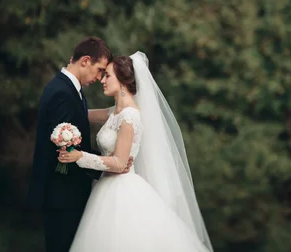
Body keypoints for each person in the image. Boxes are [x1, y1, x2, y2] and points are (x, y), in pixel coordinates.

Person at [59, 52, 213, 251]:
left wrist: (80, 157)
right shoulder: (114, 112)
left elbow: (120, 163)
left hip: (122, 190)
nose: (103, 80)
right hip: (105, 187)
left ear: (122, 81)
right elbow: (83, 115)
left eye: (108, 76)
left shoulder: (129, 116)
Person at [27, 37, 133, 252]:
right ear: (85, 61)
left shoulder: (68, 88)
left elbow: (80, 121)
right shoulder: (62, 93)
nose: (100, 77)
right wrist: (111, 165)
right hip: (63, 196)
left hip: (67, 195)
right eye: (100, 70)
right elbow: (63, 151)